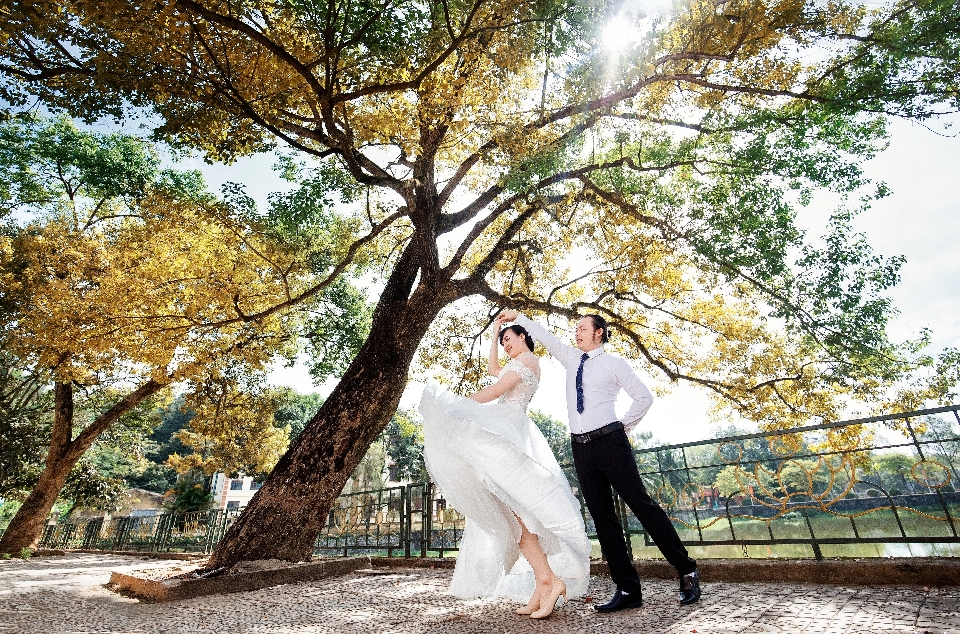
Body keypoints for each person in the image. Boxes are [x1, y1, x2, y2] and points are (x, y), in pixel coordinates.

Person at [498, 310, 702, 611]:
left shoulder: (614, 364)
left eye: (582, 328)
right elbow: (544, 336)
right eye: (576, 328)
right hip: (581, 448)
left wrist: (621, 428)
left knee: (642, 506)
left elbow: (644, 397)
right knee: (603, 518)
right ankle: (628, 589)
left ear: (599, 333)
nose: (576, 332)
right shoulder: (570, 358)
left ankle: (686, 570)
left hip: (610, 443)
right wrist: (520, 317)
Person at [420, 315, 590, 619]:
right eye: (503, 342)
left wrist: (458, 408)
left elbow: (496, 390)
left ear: (523, 336)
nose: (506, 345)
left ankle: (550, 582)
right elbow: (494, 371)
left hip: (511, 432)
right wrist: (496, 331)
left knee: (518, 515)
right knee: (514, 518)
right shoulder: (519, 362)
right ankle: (543, 585)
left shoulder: (527, 360)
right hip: (511, 429)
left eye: (509, 339)